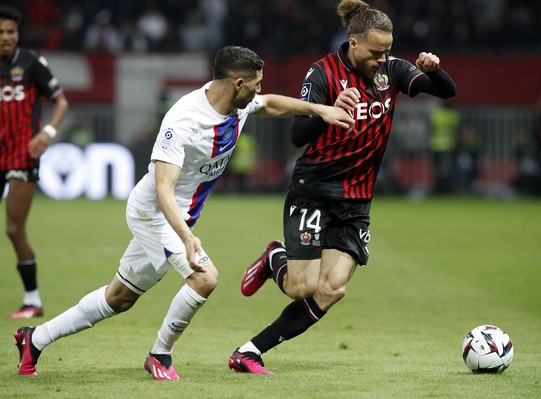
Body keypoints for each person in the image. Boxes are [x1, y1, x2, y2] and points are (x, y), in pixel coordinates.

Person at [13, 45, 354, 380]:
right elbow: (163, 188)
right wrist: (187, 238)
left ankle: (35, 338)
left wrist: (319, 110)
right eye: (255, 85)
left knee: (119, 298)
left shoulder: (239, 103)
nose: (259, 90)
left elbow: (272, 104)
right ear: (237, 83)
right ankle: (160, 354)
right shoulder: (184, 120)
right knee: (205, 277)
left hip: (180, 217)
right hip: (154, 213)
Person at [229, 0, 456, 375]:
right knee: (301, 287)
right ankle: (275, 258)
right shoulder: (322, 75)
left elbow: (446, 91)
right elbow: (298, 136)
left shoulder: (392, 71)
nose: (382, 59)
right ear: (353, 43)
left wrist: (436, 69)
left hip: (357, 201)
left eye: (387, 51)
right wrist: (328, 110)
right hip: (314, 190)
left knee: (332, 289)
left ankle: (249, 352)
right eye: (375, 52)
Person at [1, 7, 69, 319]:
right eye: (1, 32)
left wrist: (48, 132)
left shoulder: (31, 62)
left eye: (10, 32)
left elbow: (61, 102)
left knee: (15, 229)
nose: (6, 38)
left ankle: (32, 299)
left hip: (21, 154)